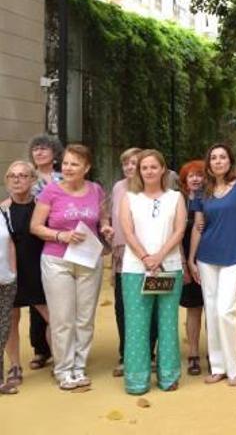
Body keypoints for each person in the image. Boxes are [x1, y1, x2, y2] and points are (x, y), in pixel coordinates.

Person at [30, 144, 113, 390]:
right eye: (65, 163)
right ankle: (63, 369)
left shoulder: (96, 190)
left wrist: (106, 228)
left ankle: (79, 366)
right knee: (62, 318)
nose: (67, 168)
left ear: (86, 167)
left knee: (85, 318)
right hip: (57, 260)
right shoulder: (51, 192)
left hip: (89, 259)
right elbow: (36, 226)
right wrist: (59, 236)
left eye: (74, 164)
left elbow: (102, 218)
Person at [188, 144, 236, 387]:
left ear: (230, 161)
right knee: (212, 309)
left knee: (226, 311)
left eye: (222, 157)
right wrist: (191, 258)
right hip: (207, 257)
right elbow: (198, 226)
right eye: (213, 158)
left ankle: (233, 368)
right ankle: (217, 366)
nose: (218, 161)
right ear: (209, 163)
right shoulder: (202, 191)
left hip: (235, 257)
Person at [118, 150, 187, 394]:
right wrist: (146, 258)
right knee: (137, 324)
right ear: (139, 172)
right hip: (136, 269)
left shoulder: (175, 197)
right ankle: (137, 380)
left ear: (163, 170)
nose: (148, 171)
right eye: (144, 167)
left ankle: (169, 376)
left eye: (153, 167)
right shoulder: (129, 198)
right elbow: (128, 231)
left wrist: (159, 256)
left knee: (168, 322)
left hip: (169, 268)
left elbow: (179, 230)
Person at [2, 161, 48, 390]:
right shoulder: (2, 210)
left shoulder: (42, 207)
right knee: (11, 319)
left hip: (40, 270)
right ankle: (15, 366)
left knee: (54, 318)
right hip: (11, 272)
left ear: (33, 180)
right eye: (12, 176)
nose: (17, 179)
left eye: (23, 175)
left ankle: (64, 362)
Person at [25, 134, 62, 370]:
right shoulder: (27, 176)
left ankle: (62, 343)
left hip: (60, 237)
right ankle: (41, 349)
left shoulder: (63, 177)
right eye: (36, 149)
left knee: (57, 292)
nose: (39, 152)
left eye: (44, 149)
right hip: (35, 236)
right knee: (37, 292)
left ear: (54, 154)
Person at [110, 147, 145, 377]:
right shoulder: (118, 187)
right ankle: (126, 354)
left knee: (148, 303)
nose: (130, 167)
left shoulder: (151, 188)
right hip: (122, 254)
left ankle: (148, 353)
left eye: (134, 163)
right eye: (126, 163)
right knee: (123, 306)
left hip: (147, 254)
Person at [178, 160, 206, 375]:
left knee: (216, 309)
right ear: (185, 180)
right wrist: (185, 264)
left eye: (200, 174)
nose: (196, 179)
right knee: (194, 308)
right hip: (187, 259)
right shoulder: (177, 201)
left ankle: (217, 353)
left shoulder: (212, 198)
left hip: (212, 258)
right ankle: (194, 354)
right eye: (191, 175)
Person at [0, 196, 18, 394]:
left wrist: (13, 273)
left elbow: (11, 242)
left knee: (3, 329)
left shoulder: (4, 212)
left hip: (6, 280)